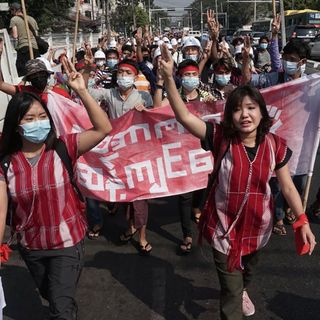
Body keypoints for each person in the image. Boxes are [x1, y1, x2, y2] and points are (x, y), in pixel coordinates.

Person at [158, 44, 316, 320]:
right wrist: (170, 79)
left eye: (251, 108)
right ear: (229, 115)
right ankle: (235, 295)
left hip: (259, 229)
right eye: (238, 109)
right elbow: (183, 116)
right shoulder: (220, 137)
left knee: (246, 274)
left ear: (261, 112)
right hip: (223, 230)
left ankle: (242, 287)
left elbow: (288, 186)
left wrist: (301, 221)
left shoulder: (275, 145)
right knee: (230, 293)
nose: (245, 114)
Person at [0, 57, 112, 319]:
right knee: (53, 296)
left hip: (67, 242)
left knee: (61, 307)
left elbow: (103, 128)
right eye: (30, 118)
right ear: (16, 125)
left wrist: (82, 91)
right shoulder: (6, 165)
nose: (37, 122)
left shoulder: (64, 148)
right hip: (32, 247)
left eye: (42, 117)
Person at [88, 59, 153, 255]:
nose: (123, 76)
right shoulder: (109, 94)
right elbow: (87, 94)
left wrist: (146, 112)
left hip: (138, 155)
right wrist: (87, 72)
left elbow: (154, 119)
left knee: (140, 198)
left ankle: (142, 237)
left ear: (134, 77)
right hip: (117, 155)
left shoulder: (143, 97)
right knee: (126, 196)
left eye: (127, 72)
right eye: (121, 72)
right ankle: (130, 226)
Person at [9, 2, 40, 76]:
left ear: (14, 10)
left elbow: (15, 36)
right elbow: (36, 34)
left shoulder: (14, 19)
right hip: (35, 47)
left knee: (22, 70)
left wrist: (15, 47)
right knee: (35, 70)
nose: (11, 13)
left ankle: (25, 87)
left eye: (11, 11)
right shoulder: (32, 19)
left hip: (24, 47)